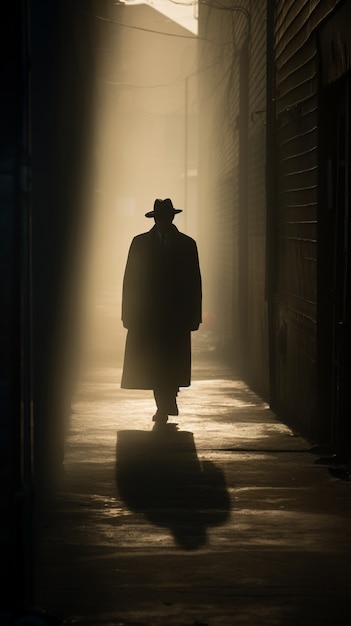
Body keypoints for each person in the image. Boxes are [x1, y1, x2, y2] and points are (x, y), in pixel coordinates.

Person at [121, 198, 202, 428]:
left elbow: (194, 283)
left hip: (175, 316)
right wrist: (128, 313)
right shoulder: (140, 243)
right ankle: (164, 403)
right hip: (149, 316)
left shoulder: (187, 244)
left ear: (172, 218)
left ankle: (168, 399)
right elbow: (130, 280)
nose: (164, 221)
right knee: (155, 362)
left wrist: (194, 315)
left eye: (166, 217)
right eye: (160, 217)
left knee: (171, 360)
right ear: (156, 218)